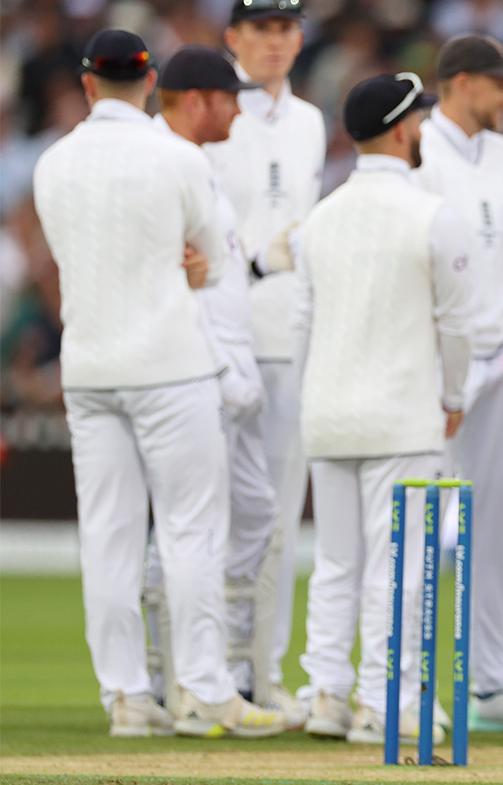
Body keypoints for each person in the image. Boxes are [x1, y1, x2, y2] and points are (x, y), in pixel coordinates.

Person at [33, 29, 285, 739]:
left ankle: (126, 697)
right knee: (191, 531)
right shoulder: (176, 158)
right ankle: (205, 688)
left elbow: (67, 256)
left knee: (108, 536)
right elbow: (211, 254)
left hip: (89, 368)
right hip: (170, 366)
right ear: (148, 83)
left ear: (88, 85)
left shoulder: (52, 163)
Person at [293, 72, 473, 745]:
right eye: (421, 118)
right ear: (402, 128)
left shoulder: (320, 217)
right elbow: (459, 327)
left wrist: (312, 398)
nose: (425, 129)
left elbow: (300, 326)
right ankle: (382, 702)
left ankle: (328, 695)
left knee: (338, 563)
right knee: (397, 566)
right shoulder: (433, 214)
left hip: (330, 412)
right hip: (401, 413)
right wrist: (454, 394)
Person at [205, 0, 326, 723]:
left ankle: (261, 668)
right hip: (223, 330)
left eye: (285, 27)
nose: (275, 40)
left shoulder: (310, 120)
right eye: (261, 27)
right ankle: (205, 666)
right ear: (234, 36)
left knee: (278, 513)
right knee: (214, 510)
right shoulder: (214, 113)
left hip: (289, 334)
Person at [415, 34, 503, 731]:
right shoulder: (419, 154)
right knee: (426, 523)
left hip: (501, 366)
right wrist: (448, 364)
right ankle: (414, 683)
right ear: (464, 83)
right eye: (499, 85)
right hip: (435, 371)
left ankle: (493, 676)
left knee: (500, 521)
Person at [152, 43, 281, 714]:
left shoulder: (196, 163)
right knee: (183, 527)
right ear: (199, 100)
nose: (239, 107)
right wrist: (220, 369)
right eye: (229, 96)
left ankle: (226, 666)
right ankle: (164, 672)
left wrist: (260, 264)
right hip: (194, 374)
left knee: (252, 515)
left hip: (230, 370)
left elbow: (217, 271)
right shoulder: (161, 163)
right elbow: (178, 286)